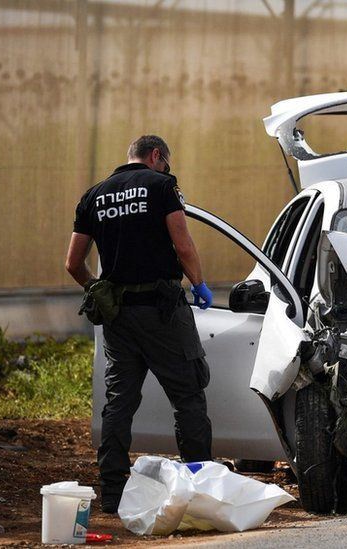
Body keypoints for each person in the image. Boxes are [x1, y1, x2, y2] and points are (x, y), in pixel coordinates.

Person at [65, 135, 215, 513]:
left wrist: (97, 290)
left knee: (119, 403)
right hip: (163, 311)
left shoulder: (94, 195)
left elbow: (72, 263)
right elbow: (183, 246)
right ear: (155, 156)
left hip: (118, 317)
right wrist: (198, 284)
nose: (166, 169)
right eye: (165, 162)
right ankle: (200, 485)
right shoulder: (162, 186)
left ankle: (112, 494)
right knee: (188, 396)